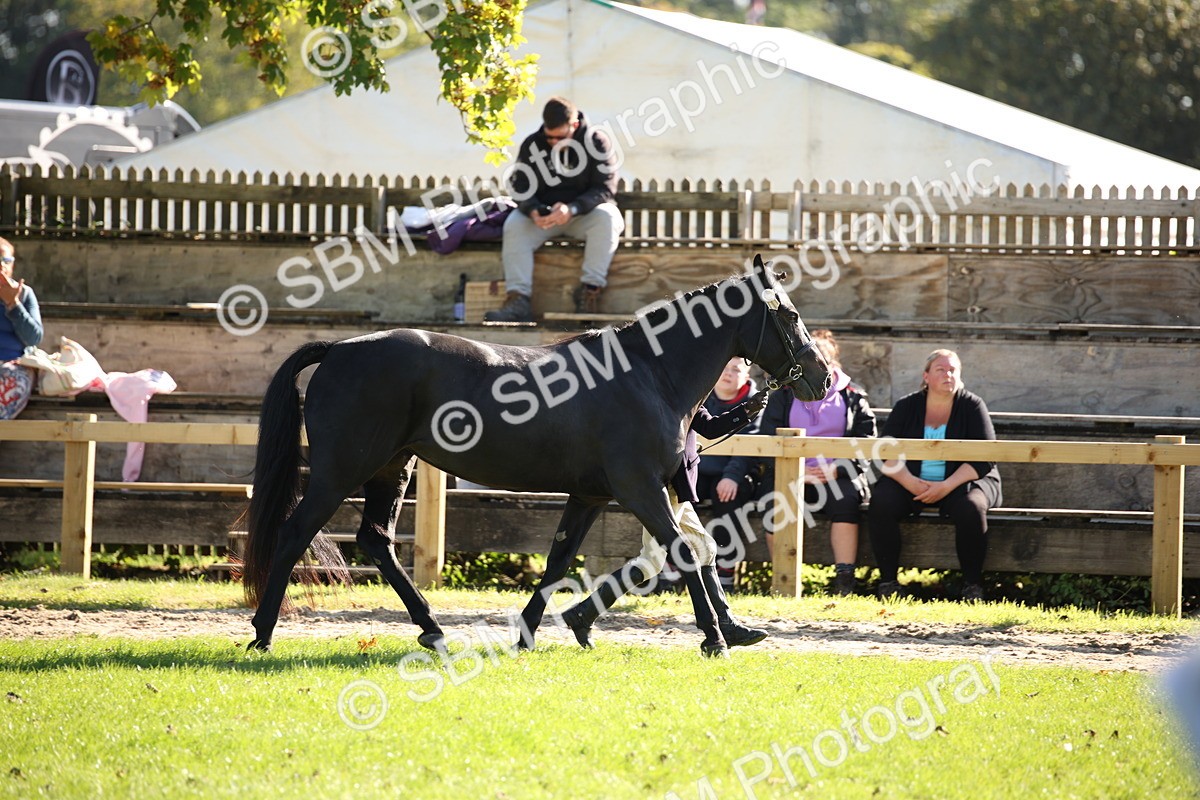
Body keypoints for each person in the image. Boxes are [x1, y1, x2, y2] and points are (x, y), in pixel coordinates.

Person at [560, 391, 770, 654]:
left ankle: (726, 625)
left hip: (678, 487)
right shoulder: (659, 396)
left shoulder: (687, 395)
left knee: (706, 548)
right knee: (651, 562)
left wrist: (746, 411)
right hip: (664, 488)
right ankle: (584, 614)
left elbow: (710, 427)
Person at [867, 349, 1001, 601]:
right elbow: (884, 450)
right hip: (912, 480)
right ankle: (888, 584)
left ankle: (972, 586)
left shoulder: (972, 405)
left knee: (971, 507)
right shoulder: (907, 406)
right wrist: (910, 482)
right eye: (941, 369)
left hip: (963, 480)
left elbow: (985, 456)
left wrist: (946, 486)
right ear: (926, 376)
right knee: (881, 502)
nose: (948, 374)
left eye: (953, 370)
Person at [757, 330, 876, 596]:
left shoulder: (853, 397)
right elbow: (768, 438)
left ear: (833, 362)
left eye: (822, 357)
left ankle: (845, 581)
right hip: (790, 473)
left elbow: (866, 443)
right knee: (775, 500)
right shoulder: (784, 394)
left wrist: (834, 469)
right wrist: (798, 472)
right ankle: (781, 577)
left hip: (837, 476)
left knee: (846, 500)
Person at [485, 97, 624, 323]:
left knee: (608, 217)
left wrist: (573, 208)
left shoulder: (597, 142)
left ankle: (590, 293)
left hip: (583, 215)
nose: (553, 141)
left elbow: (605, 188)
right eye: (549, 136)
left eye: (560, 137)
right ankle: (518, 300)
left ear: (574, 125)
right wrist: (533, 210)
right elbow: (519, 186)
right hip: (544, 218)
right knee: (515, 224)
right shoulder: (533, 144)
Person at [694, 357, 766, 588]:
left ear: (746, 377)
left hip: (734, 471)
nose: (727, 374)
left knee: (729, 497)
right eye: (723, 368)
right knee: (680, 493)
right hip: (699, 466)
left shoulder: (754, 404)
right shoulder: (700, 396)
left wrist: (732, 476)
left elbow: (751, 442)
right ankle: (675, 566)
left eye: (735, 370)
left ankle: (724, 572)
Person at [0, 237, 43, 420]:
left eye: (6, 261)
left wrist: (13, 304)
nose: (2, 266)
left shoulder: (25, 294)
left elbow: (34, 338)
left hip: (15, 367)